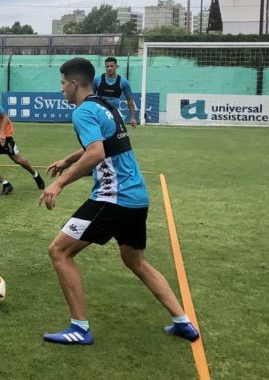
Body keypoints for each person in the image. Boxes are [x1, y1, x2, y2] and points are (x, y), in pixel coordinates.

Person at [37, 57, 199, 345]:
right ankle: (182, 321)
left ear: (74, 84)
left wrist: (59, 183)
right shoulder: (106, 106)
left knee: (59, 251)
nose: (61, 90)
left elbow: (96, 153)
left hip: (113, 198)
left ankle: (80, 328)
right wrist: (67, 159)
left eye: (63, 84)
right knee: (135, 261)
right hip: (137, 197)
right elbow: (105, 143)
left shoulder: (83, 113)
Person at [93, 57, 138, 128]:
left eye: (111, 66)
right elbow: (91, 97)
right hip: (100, 113)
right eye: (107, 66)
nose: (109, 68)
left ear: (116, 67)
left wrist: (133, 117)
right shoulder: (97, 80)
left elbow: (129, 100)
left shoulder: (123, 82)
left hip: (115, 113)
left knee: (120, 135)